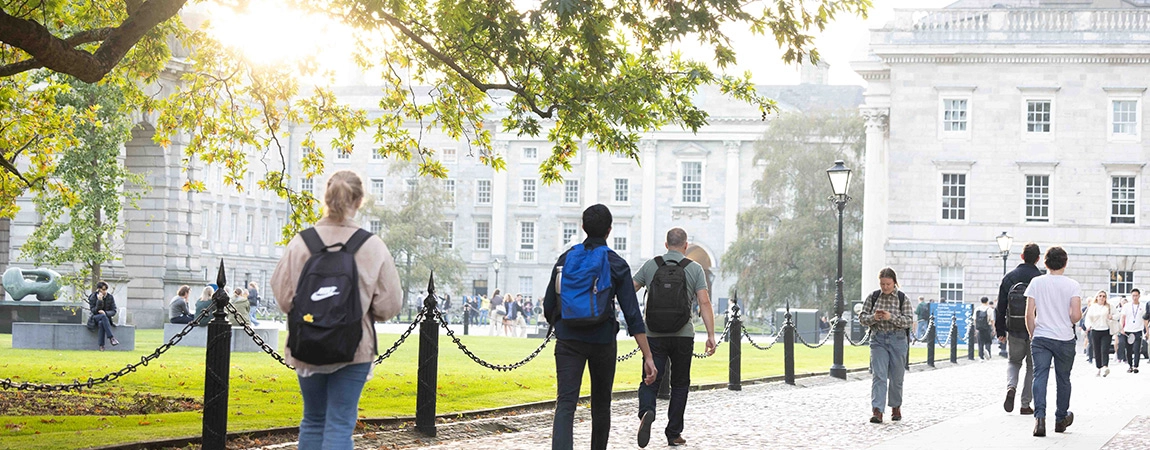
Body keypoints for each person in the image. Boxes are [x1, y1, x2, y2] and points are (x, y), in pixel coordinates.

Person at [271, 170, 402, 450]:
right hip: (354, 346)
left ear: (326, 197)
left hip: (308, 342)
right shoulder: (372, 246)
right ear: (359, 200)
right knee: (340, 424)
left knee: (313, 420)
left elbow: (284, 298)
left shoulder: (301, 243)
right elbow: (389, 305)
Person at [543, 204, 656, 450]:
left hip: (569, 340)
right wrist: (648, 356)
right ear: (609, 230)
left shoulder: (565, 259)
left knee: (565, 403)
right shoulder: (616, 263)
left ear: (583, 227)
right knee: (601, 404)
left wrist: (563, 326)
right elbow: (632, 314)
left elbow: (549, 305)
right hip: (603, 341)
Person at [632, 227, 716, 448]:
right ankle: (673, 433)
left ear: (666, 244)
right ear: (686, 246)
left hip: (654, 333)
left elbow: (630, 289)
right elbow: (704, 302)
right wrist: (710, 335)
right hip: (682, 334)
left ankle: (647, 411)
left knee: (650, 378)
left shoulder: (652, 265)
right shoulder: (694, 268)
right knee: (680, 384)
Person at [1024, 246, 1082, 437]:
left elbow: (1029, 313)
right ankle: (1060, 419)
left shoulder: (1036, 282)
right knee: (1063, 379)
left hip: (1041, 336)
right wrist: (1069, 317)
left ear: (1045, 262)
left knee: (1040, 376)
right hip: (1064, 337)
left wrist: (1033, 334)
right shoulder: (1072, 285)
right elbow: (1075, 316)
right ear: (1065, 263)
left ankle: (1039, 419)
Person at [859, 267, 914, 424]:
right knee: (879, 375)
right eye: (882, 284)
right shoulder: (874, 297)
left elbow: (909, 320)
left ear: (894, 282)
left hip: (898, 339)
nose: (885, 287)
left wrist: (891, 317)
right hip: (878, 340)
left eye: (888, 284)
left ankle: (895, 406)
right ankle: (877, 411)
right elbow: (862, 317)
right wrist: (874, 318)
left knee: (897, 378)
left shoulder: (902, 298)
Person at [995, 242, 1041, 415]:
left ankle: (1011, 387)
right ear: (1038, 259)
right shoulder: (1039, 279)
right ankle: (1025, 404)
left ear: (1022, 256)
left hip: (1013, 328)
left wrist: (1000, 330)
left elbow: (1001, 306)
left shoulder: (1009, 277)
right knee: (1032, 366)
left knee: (1014, 362)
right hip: (1035, 329)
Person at [1084, 290, 1113, 377]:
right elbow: (1088, 318)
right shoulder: (1093, 307)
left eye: (1104, 296)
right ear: (1097, 297)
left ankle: (1105, 367)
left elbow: (1117, 315)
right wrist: (1088, 326)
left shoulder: (1109, 306)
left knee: (1104, 349)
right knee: (1096, 349)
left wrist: (1112, 317)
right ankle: (1098, 367)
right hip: (1095, 330)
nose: (1102, 298)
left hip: (1106, 330)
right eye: (1100, 296)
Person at [85, 281, 119, 350]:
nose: (105, 291)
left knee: (102, 322)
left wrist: (105, 313)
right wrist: (99, 301)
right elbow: (94, 311)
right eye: (103, 290)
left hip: (105, 319)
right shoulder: (93, 297)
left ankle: (101, 346)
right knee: (103, 317)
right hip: (95, 318)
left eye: (106, 289)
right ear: (99, 289)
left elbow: (114, 311)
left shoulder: (110, 297)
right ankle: (111, 338)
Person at [1121, 288, 1144, 373]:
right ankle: (1130, 365)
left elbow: (1144, 318)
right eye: (1133, 296)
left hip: (1138, 330)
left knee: (1137, 349)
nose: (1135, 297)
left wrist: (1146, 330)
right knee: (1129, 349)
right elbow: (1122, 317)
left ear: (1139, 296)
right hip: (1128, 330)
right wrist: (1121, 328)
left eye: (1136, 295)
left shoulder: (1142, 306)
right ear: (1131, 296)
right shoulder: (1126, 306)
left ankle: (1136, 366)